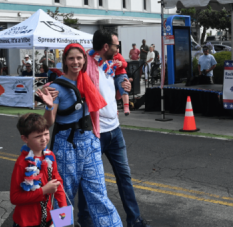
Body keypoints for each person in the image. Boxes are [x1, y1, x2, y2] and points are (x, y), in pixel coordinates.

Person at [37, 43, 122, 227]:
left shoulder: (88, 80)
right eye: (71, 58)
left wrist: (125, 85)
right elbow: (49, 123)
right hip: (66, 146)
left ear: (84, 60)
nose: (75, 62)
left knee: (98, 194)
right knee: (63, 195)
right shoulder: (55, 87)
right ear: (65, 62)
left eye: (79, 58)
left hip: (90, 142)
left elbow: (109, 76)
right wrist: (49, 104)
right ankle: (63, 226)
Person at [77, 30, 150, 227]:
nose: (119, 50)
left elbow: (112, 91)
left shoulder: (110, 64)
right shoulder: (85, 64)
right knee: (89, 181)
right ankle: (85, 221)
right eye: (116, 46)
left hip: (115, 130)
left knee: (124, 177)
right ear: (106, 47)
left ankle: (134, 220)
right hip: (94, 132)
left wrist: (123, 88)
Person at [11, 113, 67, 227]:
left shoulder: (50, 156)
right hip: (26, 222)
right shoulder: (22, 163)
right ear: (25, 138)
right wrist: (43, 191)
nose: (43, 139)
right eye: (37, 136)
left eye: (46, 134)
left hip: (48, 218)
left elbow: (58, 183)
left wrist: (63, 210)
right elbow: (15, 198)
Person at [113, 50, 130, 116]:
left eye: (117, 47)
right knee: (112, 93)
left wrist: (121, 63)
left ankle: (126, 107)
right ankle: (114, 109)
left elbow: (125, 64)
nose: (116, 49)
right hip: (112, 77)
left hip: (121, 75)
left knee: (124, 90)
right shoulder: (108, 57)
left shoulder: (119, 55)